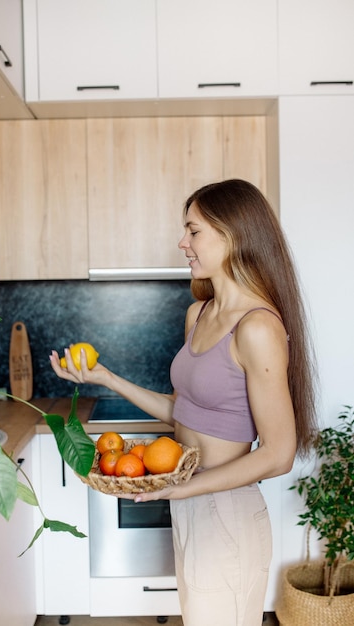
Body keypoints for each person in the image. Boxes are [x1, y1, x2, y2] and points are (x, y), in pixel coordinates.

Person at [50, 179, 317, 626]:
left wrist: (183, 486)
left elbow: (279, 454)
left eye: (193, 231)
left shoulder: (257, 328)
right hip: (190, 502)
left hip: (225, 509)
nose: (182, 243)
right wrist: (106, 378)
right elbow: (183, 411)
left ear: (232, 235)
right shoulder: (199, 314)